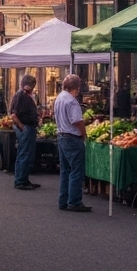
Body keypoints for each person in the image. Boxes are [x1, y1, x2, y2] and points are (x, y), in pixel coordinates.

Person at [53, 73, 90, 212]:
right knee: (76, 170)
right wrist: (83, 133)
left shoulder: (59, 98)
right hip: (72, 138)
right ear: (77, 87)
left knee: (65, 170)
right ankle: (74, 201)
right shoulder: (72, 101)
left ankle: (64, 200)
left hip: (61, 135)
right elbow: (77, 121)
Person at [9, 75, 40, 190]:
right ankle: (20, 180)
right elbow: (13, 114)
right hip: (26, 127)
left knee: (27, 154)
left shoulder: (25, 96)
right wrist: (22, 127)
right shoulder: (20, 96)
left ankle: (24, 179)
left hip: (28, 127)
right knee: (24, 154)